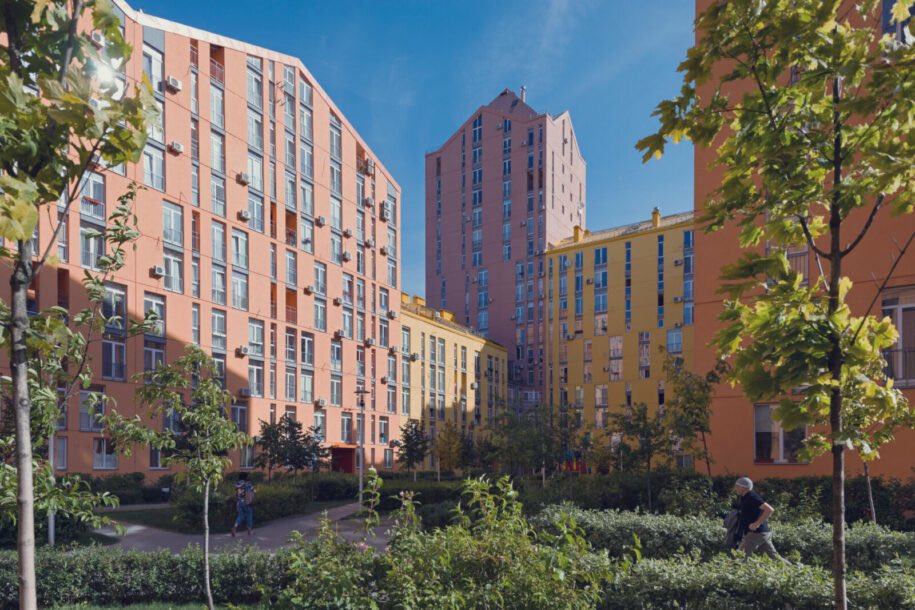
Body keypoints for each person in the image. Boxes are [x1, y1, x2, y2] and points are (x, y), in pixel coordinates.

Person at [734, 476, 784, 561]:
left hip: (756, 533)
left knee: (740, 556)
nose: (736, 488)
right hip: (762, 533)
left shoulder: (752, 497)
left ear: (744, 487)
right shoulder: (744, 497)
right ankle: (795, 568)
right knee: (774, 558)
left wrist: (756, 524)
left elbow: (769, 509)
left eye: (737, 486)